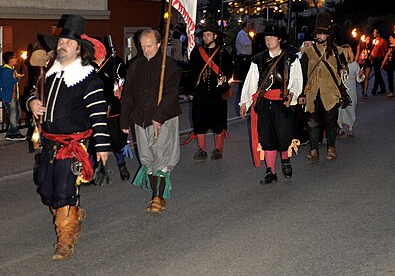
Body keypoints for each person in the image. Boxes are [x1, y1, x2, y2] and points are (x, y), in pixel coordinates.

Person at [27, 14, 110, 260]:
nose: (62, 44)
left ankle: (65, 240)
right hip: (49, 142)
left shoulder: (89, 80)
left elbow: (98, 117)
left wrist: (102, 148)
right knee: (45, 189)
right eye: (61, 40)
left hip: (73, 145)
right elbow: (32, 92)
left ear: (79, 49)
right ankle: (73, 215)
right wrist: (31, 101)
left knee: (64, 190)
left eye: (68, 42)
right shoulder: (48, 73)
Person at [120, 29, 181, 214]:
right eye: (142, 46)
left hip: (164, 118)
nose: (145, 50)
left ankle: (158, 197)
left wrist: (159, 116)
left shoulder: (169, 66)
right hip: (141, 118)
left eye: (149, 46)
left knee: (161, 155)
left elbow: (171, 94)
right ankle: (155, 193)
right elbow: (128, 95)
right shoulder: (135, 66)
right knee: (146, 156)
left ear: (159, 44)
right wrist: (124, 120)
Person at [239, 24, 302, 184]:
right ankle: (271, 171)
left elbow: (296, 81)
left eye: (272, 37)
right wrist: (245, 102)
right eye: (267, 38)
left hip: (283, 103)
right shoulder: (258, 59)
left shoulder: (291, 59)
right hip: (265, 103)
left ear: (279, 39)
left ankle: (285, 160)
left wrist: (292, 95)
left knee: (283, 136)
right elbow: (251, 82)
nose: (269, 40)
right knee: (267, 137)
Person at [300, 12, 348, 163]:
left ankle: (331, 147)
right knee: (312, 122)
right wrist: (301, 94)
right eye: (318, 33)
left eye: (323, 33)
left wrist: (343, 69)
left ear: (328, 35)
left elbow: (343, 65)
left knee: (330, 122)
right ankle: (314, 150)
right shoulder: (307, 51)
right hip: (312, 92)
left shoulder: (336, 50)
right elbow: (301, 73)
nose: (319, 36)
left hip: (331, 92)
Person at [185, 24, 233, 160]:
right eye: (204, 35)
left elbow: (230, 70)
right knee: (199, 122)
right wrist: (190, 90)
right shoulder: (196, 52)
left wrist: (225, 77)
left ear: (215, 36)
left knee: (218, 122)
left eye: (208, 35)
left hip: (217, 93)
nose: (206, 38)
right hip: (200, 93)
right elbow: (192, 73)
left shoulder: (223, 53)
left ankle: (218, 149)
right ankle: (202, 150)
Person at [96, 35, 130, 180]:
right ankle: (96, 168)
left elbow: (126, 80)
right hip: (96, 108)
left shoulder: (116, 63)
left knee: (117, 140)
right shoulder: (88, 67)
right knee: (95, 140)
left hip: (113, 107)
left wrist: (121, 89)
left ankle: (122, 165)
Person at [0, 51, 26, 140]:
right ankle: (14, 132)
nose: (16, 59)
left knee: (17, 112)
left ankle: (10, 133)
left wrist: (16, 77)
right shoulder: (5, 71)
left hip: (13, 95)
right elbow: (6, 84)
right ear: (10, 59)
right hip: (8, 96)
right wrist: (16, 79)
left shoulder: (11, 69)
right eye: (14, 57)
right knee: (13, 114)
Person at [338, 44, 361, 137]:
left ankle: (350, 128)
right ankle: (340, 128)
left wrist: (360, 75)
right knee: (340, 108)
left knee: (350, 107)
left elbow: (359, 78)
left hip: (351, 89)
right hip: (340, 89)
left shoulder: (354, 64)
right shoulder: (338, 64)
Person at [370, 28, 388, 95]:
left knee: (377, 74)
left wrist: (385, 60)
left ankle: (374, 89)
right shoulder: (374, 40)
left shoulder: (382, 40)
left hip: (380, 58)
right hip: (375, 59)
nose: (373, 33)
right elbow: (373, 50)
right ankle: (383, 88)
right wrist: (371, 58)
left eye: (374, 32)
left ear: (378, 34)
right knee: (378, 74)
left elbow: (384, 49)